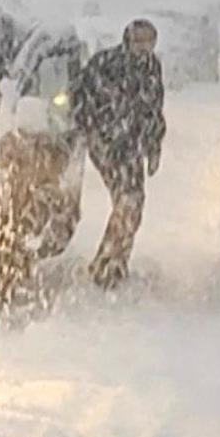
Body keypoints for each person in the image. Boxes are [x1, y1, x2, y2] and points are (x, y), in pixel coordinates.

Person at [71, 19, 167, 289]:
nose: (143, 47)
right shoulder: (106, 64)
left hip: (133, 146)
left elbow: (154, 110)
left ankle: (115, 259)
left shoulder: (152, 68)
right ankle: (107, 264)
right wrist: (92, 132)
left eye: (149, 41)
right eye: (139, 40)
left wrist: (154, 146)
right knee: (127, 199)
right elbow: (80, 98)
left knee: (134, 204)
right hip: (107, 145)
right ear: (127, 39)